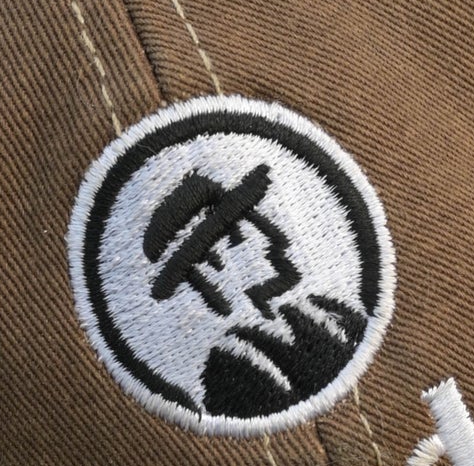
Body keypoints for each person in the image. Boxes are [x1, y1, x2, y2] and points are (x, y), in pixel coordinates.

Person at [141, 160, 364, 419]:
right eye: (237, 233)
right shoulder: (231, 371)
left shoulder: (323, 309)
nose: (266, 233)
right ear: (212, 267)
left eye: (251, 217)